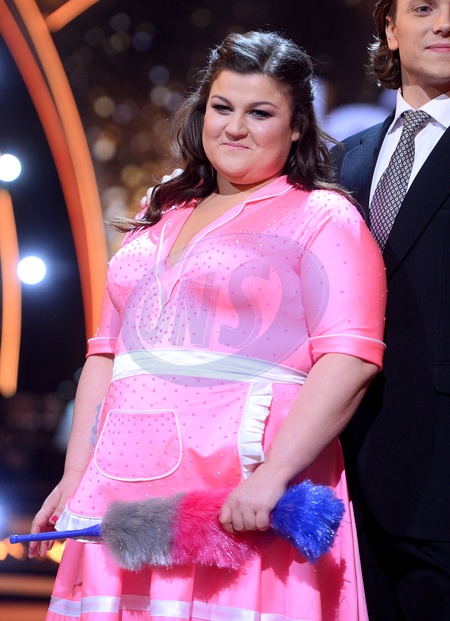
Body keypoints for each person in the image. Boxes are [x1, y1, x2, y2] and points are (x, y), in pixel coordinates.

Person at [30, 31, 386, 621]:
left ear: (298, 126)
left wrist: (272, 476)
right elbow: (106, 355)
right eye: (222, 107)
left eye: (260, 113)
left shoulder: (323, 216)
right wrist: (76, 475)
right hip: (122, 493)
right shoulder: (159, 211)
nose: (235, 128)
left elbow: (351, 359)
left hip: (239, 498)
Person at [331, 1, 450, 620]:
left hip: (440, 471)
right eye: (424, 6)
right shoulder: (341, 160)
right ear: (389, 28)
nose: (445, 23)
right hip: (338, 475)